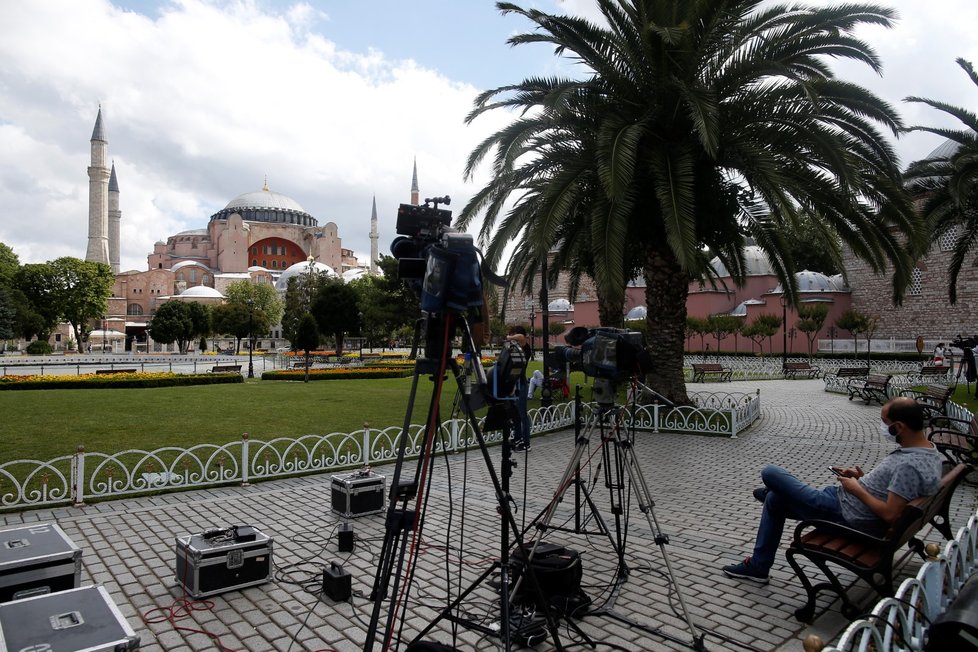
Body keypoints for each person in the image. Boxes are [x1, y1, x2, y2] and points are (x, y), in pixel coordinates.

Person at [722, 397, 942, 583]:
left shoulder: (908, 465)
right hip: (845, 504)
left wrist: (857, 489)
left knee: (770, 473)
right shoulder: (927, 453)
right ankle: (759, 565)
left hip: (843, 513)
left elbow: (890, 513)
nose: (883, 428)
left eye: (885, 423)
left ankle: (771, 500)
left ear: (899, 427)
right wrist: (861, 478)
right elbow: (895, 493)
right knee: (775, 501)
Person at [505, 327, 532, 451]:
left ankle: (526, 443)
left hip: (521, 383)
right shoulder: (515, 350)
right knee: (515, 415)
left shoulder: (525, 347)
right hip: (514, 384)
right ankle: (517, 439)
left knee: (522, 414)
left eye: (513, 335)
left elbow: (520, 337)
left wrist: (509, 337)